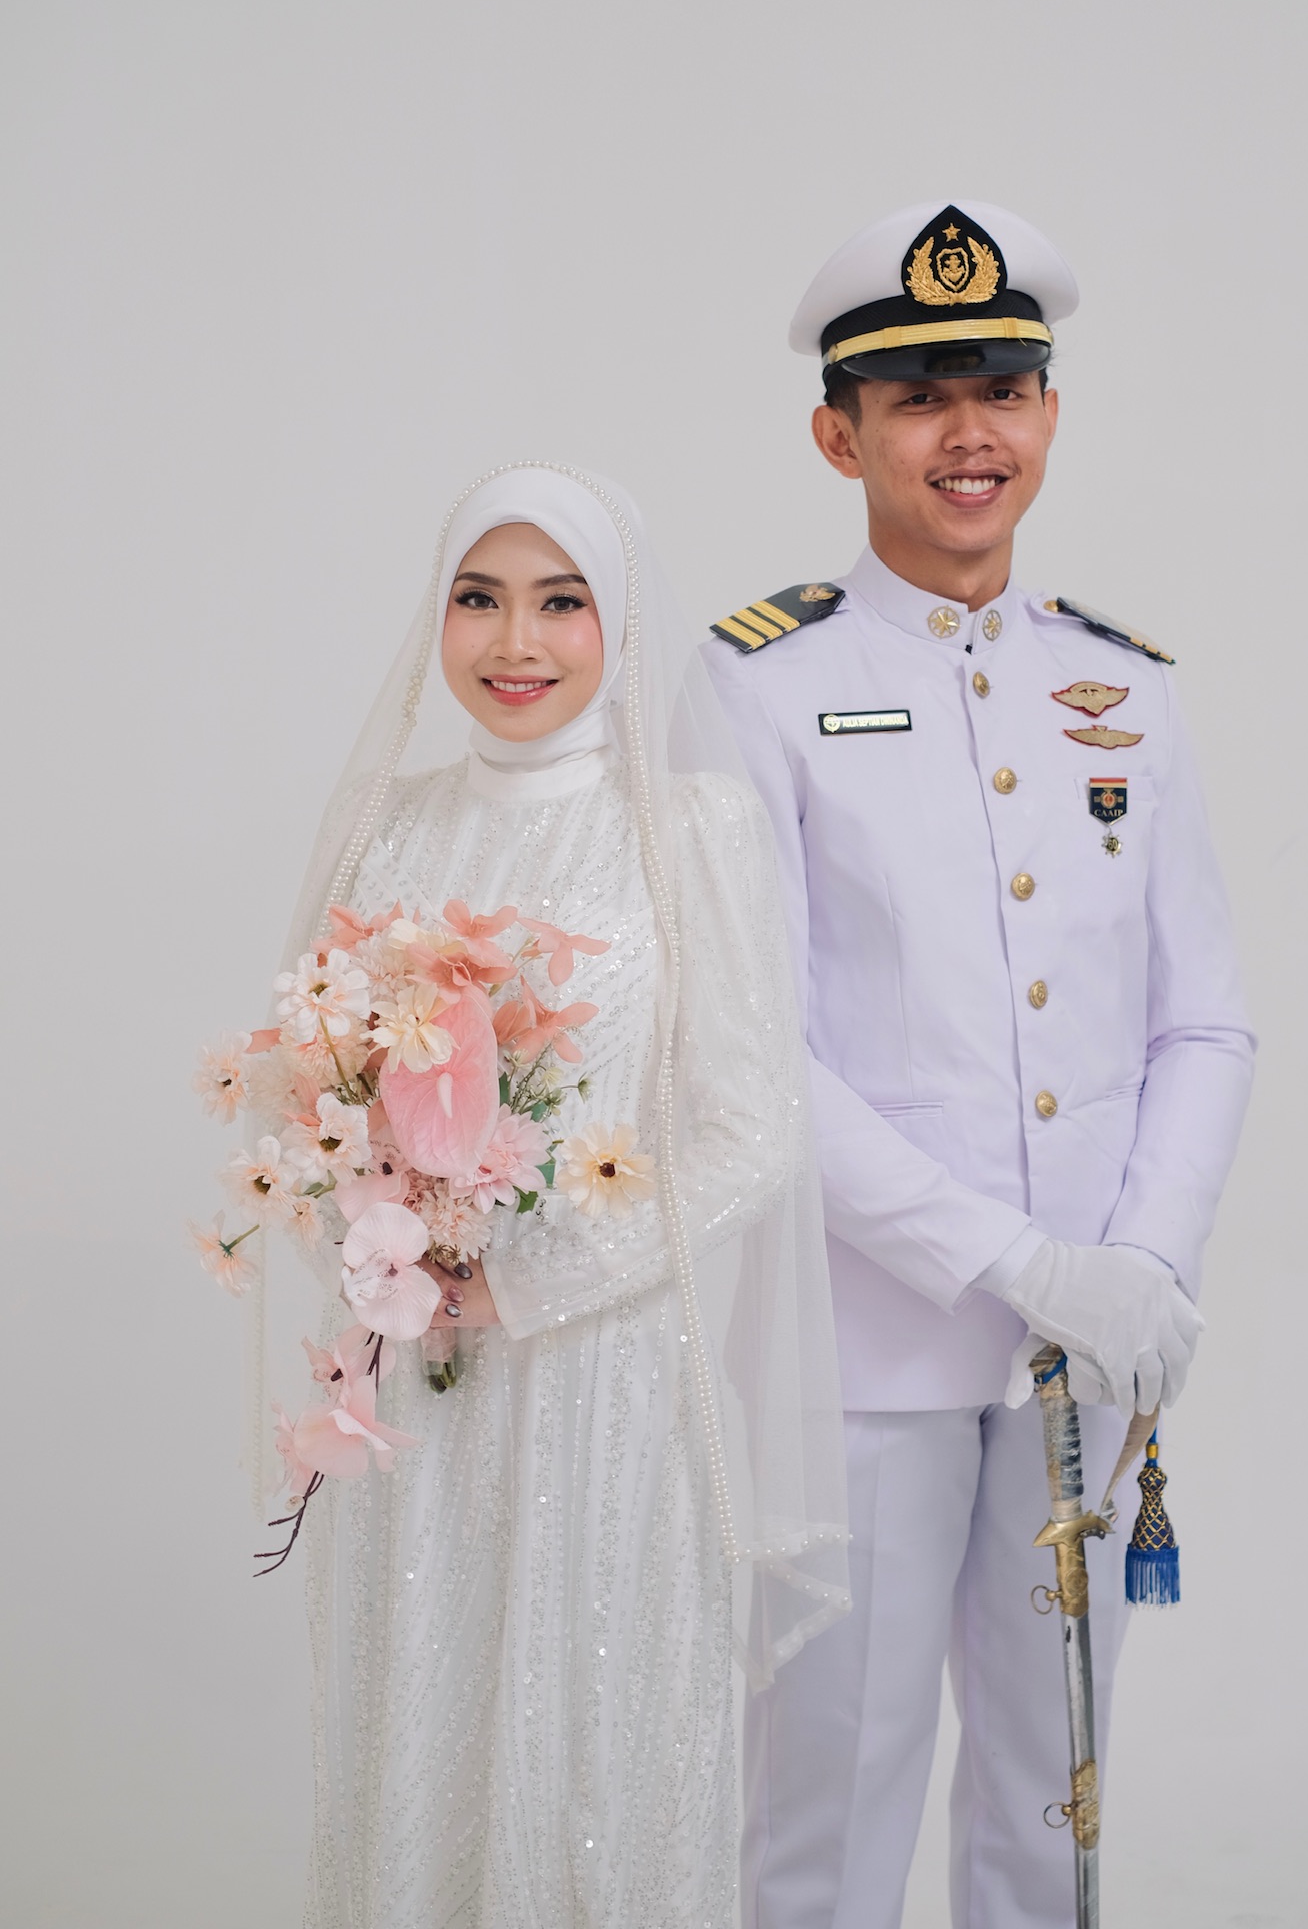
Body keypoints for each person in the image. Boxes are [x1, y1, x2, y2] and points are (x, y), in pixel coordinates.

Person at [703, 202, 1256, 1929]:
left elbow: (1203, 1018)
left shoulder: (1124, 691)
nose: (970, 434)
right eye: (921, 397)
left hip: (1091, 1350)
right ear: (839, 435)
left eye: (1003, 390)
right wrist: (1020, 1263)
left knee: (1052, 1801)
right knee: (832, 1805)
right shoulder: (761, 687)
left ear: (1050, 414)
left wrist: (1140, 1265)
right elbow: (755, 1058)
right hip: (863, 1353)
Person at [276, 463, 848, 1929]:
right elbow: (318, 1088)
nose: (515, 641)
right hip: (422, 1386)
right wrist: (387, 1249)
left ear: (623, 621)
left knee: (590, 1749)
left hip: (606, 1381)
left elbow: (754, 1131)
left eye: (562, 601)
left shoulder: (688, 828)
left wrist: (523, 1282)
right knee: (419, 1728)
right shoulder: (387, 826)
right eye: (479, 598)